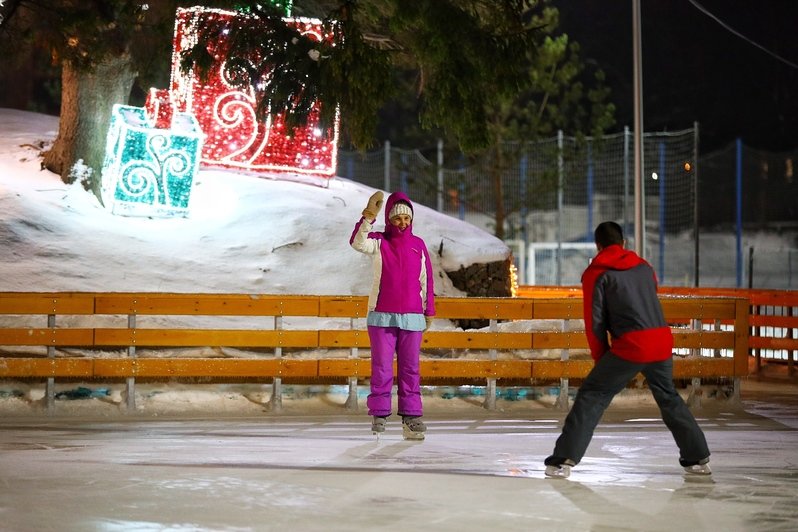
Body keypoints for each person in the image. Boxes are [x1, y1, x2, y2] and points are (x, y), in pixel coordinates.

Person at [544, 221, 711, 478]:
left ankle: (563, 458)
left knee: (593, 393)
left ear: (598, 246)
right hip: (661, 340)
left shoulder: (596, 273)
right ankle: (697, 456)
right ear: (623, 243)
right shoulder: (645, 268)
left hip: (632, 344)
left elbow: (595, 321)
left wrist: (602, 358)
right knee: (668, 396)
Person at [349, 190, 436, 440]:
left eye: (407, 219)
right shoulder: (378, 241)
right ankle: (379, 413)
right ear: (389, 218)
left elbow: (426, 280)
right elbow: (357, 242)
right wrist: (368, 216)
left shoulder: (418, 245)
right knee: (382, 367)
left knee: (410, 368)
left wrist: (428, 310)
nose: (402, 223)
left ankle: (411, 416)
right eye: (397, 218)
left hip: (411, 317)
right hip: (381, 315)